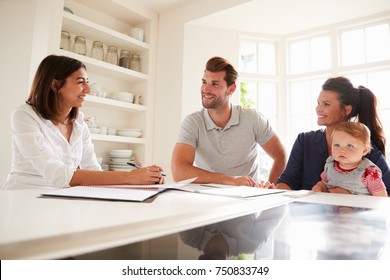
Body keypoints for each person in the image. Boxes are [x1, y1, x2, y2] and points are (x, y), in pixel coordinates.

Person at [3, 55, 164, 190]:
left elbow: (93, 170)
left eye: (87, 82)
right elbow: (58, 174)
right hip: (25, 198)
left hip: (63, 199)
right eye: (80, 82)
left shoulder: (79, 124)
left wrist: (144, 181)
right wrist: (130, 177)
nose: (88, 89)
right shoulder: (24, 116)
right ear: (55, 85)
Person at [171, 56, 286, 187]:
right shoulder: (193, 123)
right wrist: (229, 180)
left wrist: (269, 188)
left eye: (214, 84)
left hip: (247, 198)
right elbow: (178, 171)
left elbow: (280, 156)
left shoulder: (253, 119)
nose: (206, 89)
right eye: (204, 82)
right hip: (207, 198)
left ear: (231, 89)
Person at [276, 76, 390, 195]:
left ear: (346, 110)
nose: (318, 109)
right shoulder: (304, 141)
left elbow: (386, 195)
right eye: (318, 103)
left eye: (326, 104)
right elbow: (287, 181)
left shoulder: (365, 148)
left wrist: (351, 196)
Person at [312, 122, 387, 196]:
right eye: (337, 145)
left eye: (350, 146)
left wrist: (349, 197)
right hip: (330, 206)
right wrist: (319, 187)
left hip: (359, 207)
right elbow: (324, 183)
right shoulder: (330, 164)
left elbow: (380, 199)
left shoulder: (369, 172)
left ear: (364, 151)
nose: (341, 150)